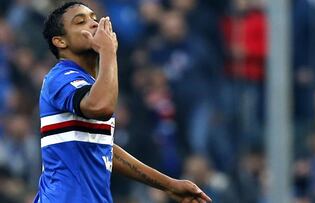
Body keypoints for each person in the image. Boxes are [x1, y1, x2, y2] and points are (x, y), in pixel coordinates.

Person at [33, 2, 212, 203]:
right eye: (80, 21)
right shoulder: (60, 77)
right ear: (60, 41)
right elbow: (102, 108)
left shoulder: (92, 85)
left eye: (94, 18)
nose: (93, 24)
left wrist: (169, 185)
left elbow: (104, 148)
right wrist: (108, 51)